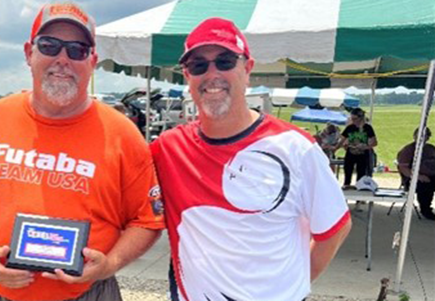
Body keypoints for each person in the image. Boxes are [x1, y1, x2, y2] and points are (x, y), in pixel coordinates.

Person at [0, 3, 164, 301]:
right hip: (1, 292)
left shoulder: (123, 135)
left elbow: (147, 221)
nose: (62, 59)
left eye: (77, 50)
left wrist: (109, 264)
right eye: (49, 45)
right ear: (28, 53)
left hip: (89, 293)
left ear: (92, 60)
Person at [151, 18, 352, 301]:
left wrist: (294, 284)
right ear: (187, 76)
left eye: (225, 61)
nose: (212, 74)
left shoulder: (295, 148)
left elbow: (335, 228)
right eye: (198, 65)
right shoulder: (169, 148)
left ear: (247, 69)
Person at [397, 127, 435, 220]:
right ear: (415, 136)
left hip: (431, 175)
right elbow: (403, 168)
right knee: (426, 184)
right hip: (413, 178)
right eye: (420, 136)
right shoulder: (408, 150)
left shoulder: (431, 149)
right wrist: (418, 176)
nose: (422, 138)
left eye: (425, 136)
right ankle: (426, 210)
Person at [338, 108, 378, 188]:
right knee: (347, 174)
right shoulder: (350, 128)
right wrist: (339, 146)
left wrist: (365, 146)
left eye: (355, 119)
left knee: (361, 176)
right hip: (350, 154)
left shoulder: (368, 128)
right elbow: (341, 140)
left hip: (363, 155)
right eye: (352, 119)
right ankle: (346, 195)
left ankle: (360, 198)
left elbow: (374, 142)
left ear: (360, 118)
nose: (353, 121)